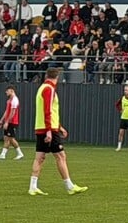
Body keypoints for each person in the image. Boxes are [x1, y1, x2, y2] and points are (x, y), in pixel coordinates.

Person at [29, 67, 88, 196]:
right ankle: (69, 186)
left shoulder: (42, 88)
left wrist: (59, 126)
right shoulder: (49, 89)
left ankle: (33, 186)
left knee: (39, 157)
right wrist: (50, 130)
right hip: (48, 128)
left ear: (46, 75)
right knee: (61, 156)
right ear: (57, 77)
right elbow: (48, 110)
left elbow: (50, 111)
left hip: (41, 126)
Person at [0, 86, 24, 160]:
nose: (6, 92)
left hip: (12, 122)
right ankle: (4, 154)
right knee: (6, 138)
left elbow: (13, 112)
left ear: (12, 91)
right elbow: (6, 111)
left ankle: (17, 153)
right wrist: (1, 120)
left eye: (7, 91)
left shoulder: (15, 100)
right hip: (8, 121)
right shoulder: (9, 100)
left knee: (9, 138)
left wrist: (7, 122)